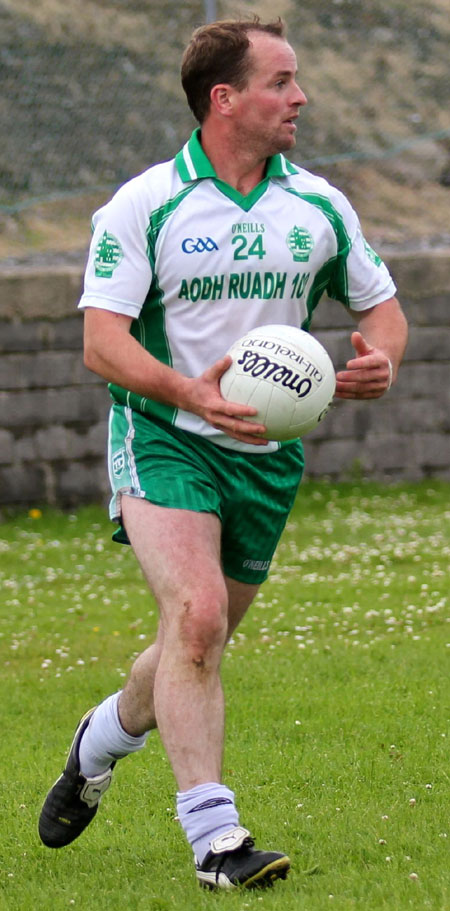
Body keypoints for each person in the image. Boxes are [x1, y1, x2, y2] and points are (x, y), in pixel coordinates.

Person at [38, 16, 408, 891]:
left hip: (266, 459)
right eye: (282, 81)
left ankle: (98, 745)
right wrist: (187, 390)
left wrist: (379, 356)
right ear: (224, 98)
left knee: (189, 640)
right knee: (198, 616)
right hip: (165, 434)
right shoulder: (146, 204)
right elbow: (102, 343)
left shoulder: (318, 205)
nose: (301, 97)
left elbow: (380, 304)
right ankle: (217, 840)